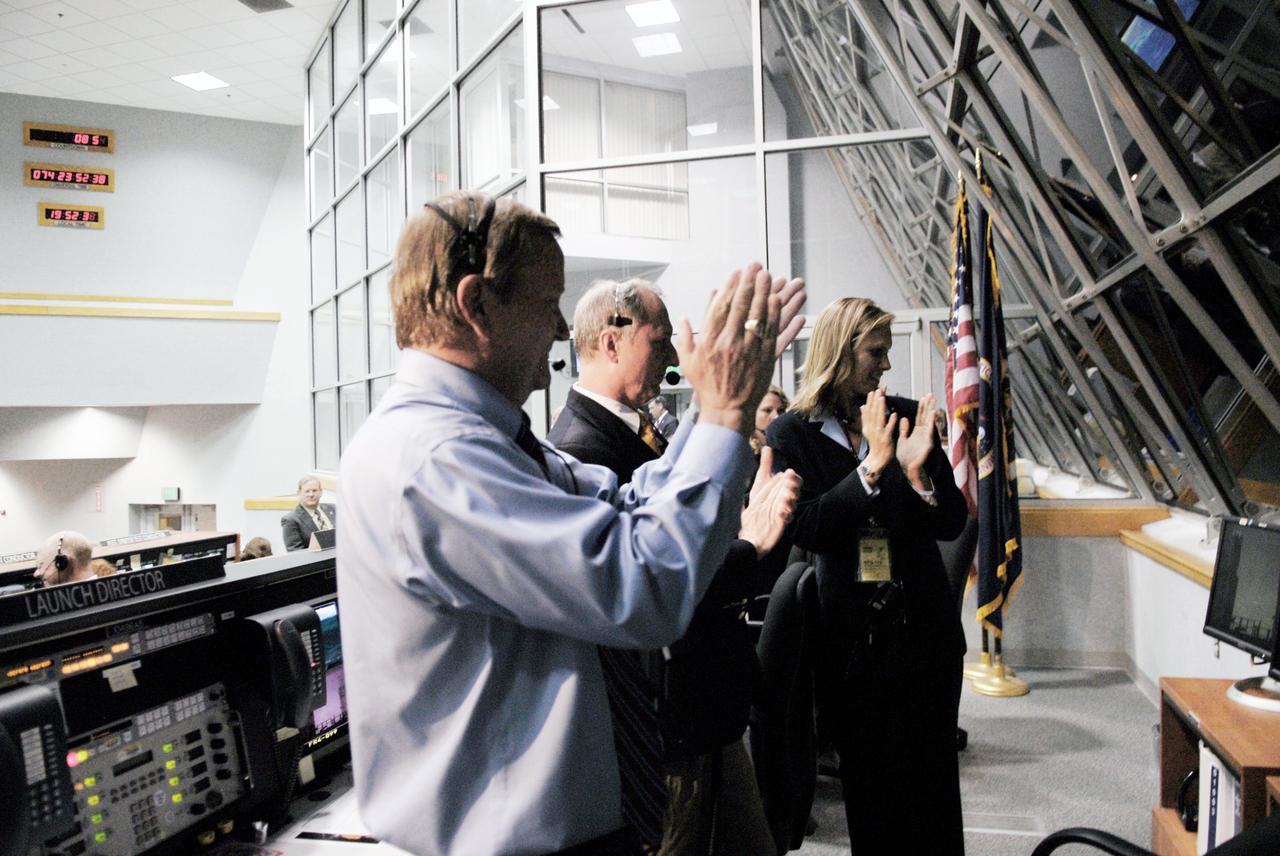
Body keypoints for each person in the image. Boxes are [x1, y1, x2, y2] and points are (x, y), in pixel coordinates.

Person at [336, 190, 805, 856]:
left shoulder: (486, 443)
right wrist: (726, 414)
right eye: (544, 303)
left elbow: (620, 509)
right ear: (475, 305)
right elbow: (640, 587)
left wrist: (713, 406)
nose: (560, 330)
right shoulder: (434, 460)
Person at [549, 278, 803, 855]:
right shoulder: (579, 449)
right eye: (659, 341)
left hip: (703, 709)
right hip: (671, 724)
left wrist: (723, 409)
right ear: (611, 341)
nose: (670, 360)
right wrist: (747, 547)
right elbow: (649, 579)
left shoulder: (635, 430)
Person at [765, 297, 968, 856]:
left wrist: (919, 475)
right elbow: (807, 529)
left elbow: (951, 520)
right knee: (874, 803)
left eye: (887, 351)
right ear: (839, 351)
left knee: (934, 802)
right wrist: (874, 468)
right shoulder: (792, 434)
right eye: (874, 352)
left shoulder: (904, 416)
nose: (884, 365)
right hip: (854, 647)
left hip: (926, 637)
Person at [281, 476, 335, 551]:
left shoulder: (334, 509)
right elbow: (295, 552)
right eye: (307, 491)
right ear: (299, 493)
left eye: (314, 490)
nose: (311, 494)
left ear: (321, 492)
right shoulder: (291, 520)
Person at [751, 384, 789, 457]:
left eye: (781, 410)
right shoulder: (742, 453)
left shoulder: (790, 447)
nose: (776, 416)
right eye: (767, 410)